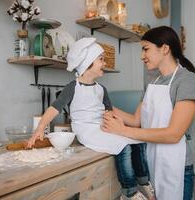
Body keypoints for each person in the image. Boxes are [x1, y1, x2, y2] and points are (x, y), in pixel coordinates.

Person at [27, 37, 155, 200]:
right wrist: (40, 128)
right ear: (87, 64)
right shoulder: (73, 87)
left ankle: (143, 181)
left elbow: (109, 111)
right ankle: (129, 192)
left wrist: (116, 122)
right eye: (101, 60)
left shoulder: (101, 89)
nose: (104, 63)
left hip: (103, 127)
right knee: (123, 146)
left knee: (137, 141)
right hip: (86, 130)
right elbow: (54, 108)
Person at [102, 26, 195, 200]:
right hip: (149, 162)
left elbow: (173, 134)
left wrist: (123, 130)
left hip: (175, 166)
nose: (142, 56)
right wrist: (104, 106)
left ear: (165, 49)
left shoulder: (188, 81)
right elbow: (136, 120)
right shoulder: (152, 80)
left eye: (145, 49)